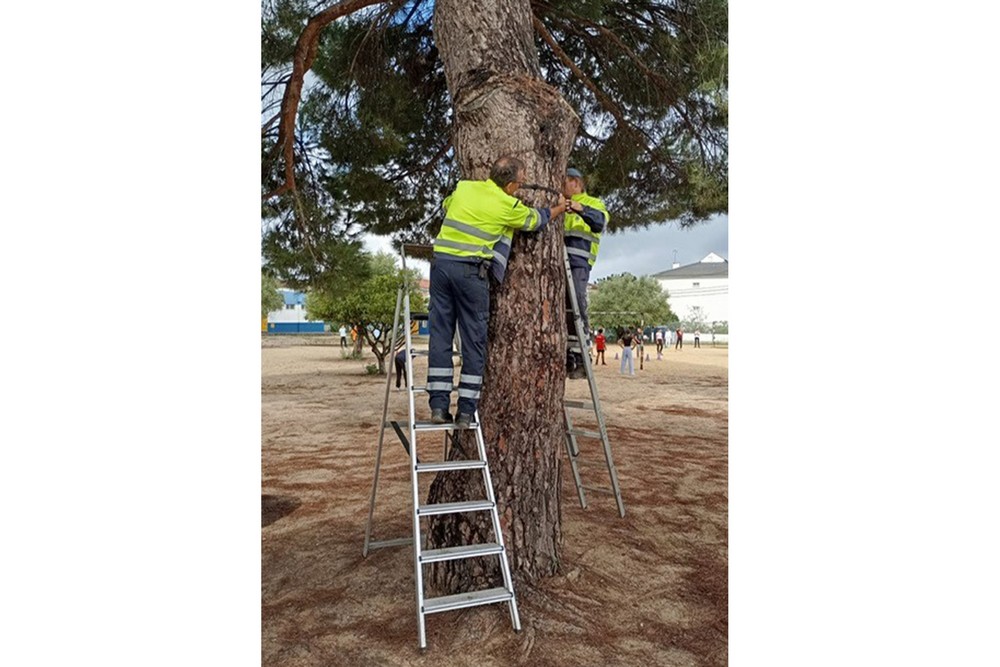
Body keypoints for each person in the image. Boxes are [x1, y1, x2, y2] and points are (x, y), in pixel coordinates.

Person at [427, 156, 570, 427]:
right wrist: (559, 208)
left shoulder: (465, 187)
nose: (522, 185)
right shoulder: (507, 205)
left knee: (440, 336)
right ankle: (466, 411)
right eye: (520, 181)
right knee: (473, 341)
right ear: (511, 185)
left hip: (441, 268)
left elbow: (448, 205)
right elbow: (535, 220)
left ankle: (438, 406)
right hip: (470, 273)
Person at [563, 167, 610, 379]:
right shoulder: (560, 203)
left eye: (564, 182)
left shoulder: (593, 203)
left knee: (578, 306)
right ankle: (568, 354)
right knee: (561, 312)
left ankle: (582, 355)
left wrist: (579, 208)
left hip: (579, 263)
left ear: (575, 183)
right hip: (559, 263)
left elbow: (599, 222)